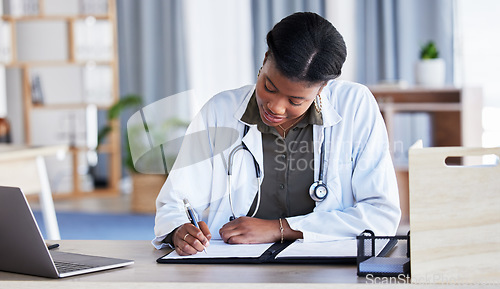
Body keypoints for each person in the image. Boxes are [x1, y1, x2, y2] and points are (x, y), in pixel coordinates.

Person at [153, 12, 400, 255]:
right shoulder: (219, 111)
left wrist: (280, 229)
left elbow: (380, 214)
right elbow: (175, 202)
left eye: (295, 100)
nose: (275, 107)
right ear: (265, 59)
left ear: (322, 87)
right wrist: (179, 231)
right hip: (234, 266)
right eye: (269, 87)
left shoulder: (355, 107)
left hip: (326, 266)